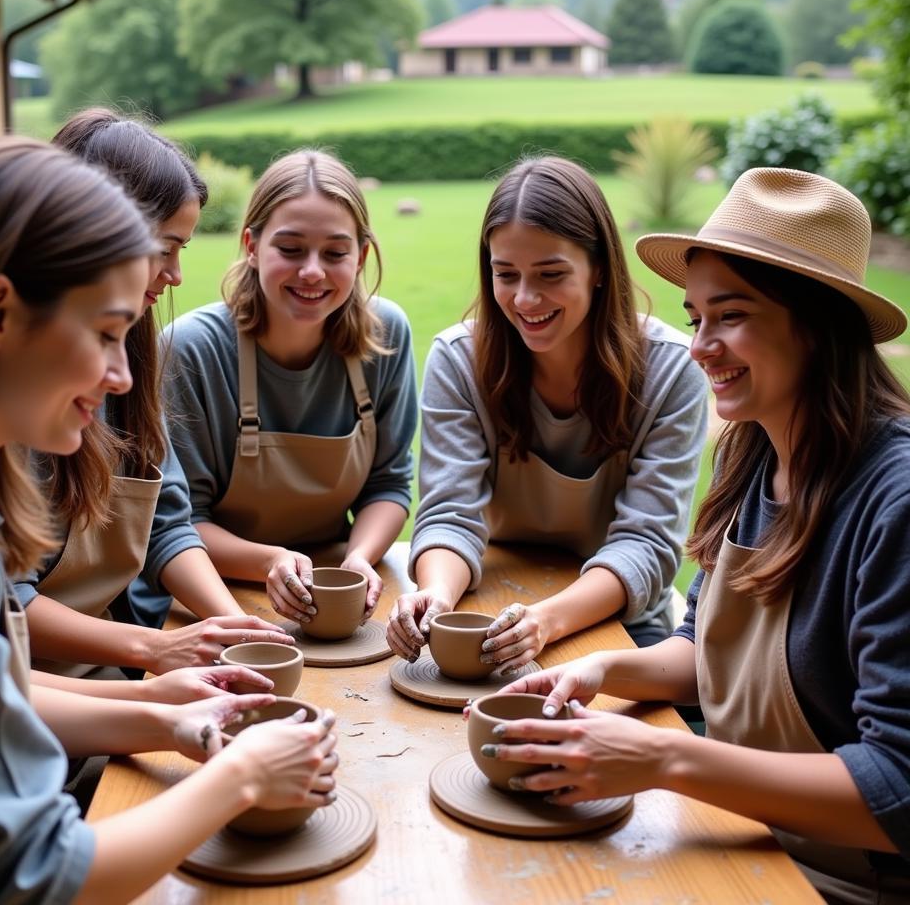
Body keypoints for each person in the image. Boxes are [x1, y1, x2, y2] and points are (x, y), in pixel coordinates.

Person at [0, 137, 336, 903]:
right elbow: (25, 877)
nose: (124, 374)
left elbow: (0, 695)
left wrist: (165, 712)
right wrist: (239, 776)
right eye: (104, 334)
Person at [495, 167, 910, 903]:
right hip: (751, 836)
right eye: (695, 318)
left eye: (732, 316)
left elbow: (899, 791)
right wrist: (601, 674)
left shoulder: (895, 501)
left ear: (816, 324)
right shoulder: (758, 452)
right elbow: (709, 651)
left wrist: (664, 759)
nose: (699, 347)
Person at [387, 156, 706, 671]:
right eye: (504, 274)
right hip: (485, 599)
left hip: (617, 619)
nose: (525, 298)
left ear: (599, 268)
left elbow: (647, 545)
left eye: (550, 274)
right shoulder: (458, 359)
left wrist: (547, 621)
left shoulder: (670, 371)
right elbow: (450, 512)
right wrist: (437, 595)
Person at [14, 109, 290, 678]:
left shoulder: (134, 349)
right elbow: (1, 605)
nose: (176, 274)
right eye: (164, 248)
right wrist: (153, 652)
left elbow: (167, 522)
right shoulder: (4, 395)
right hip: (31, 684)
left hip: (108, 665)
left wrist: (234, 626)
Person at [162, 149, 418, 625]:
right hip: (214, 594)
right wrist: (269, 562)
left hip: (336, 583)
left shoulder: (386, 334)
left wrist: (359, 559)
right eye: (291, 249)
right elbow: (179, 522)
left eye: (336, 253)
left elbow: (389, 483)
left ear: (361, 257)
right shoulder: (191, 351)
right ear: (251, 247)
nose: (313, 271)